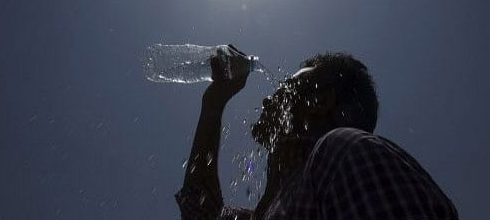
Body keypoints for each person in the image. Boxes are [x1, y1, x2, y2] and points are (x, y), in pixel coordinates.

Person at [175, 45, 458, 220]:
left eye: (285, 88)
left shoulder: (345, 152)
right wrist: (214, 102)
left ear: (320, 102)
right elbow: (201, 211)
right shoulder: (274, 205)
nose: (267, 100)